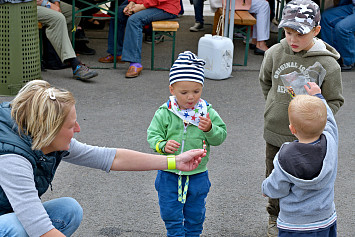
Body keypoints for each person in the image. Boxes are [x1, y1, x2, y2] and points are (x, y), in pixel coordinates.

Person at [0, 80, 206, 236]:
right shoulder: (13, 159)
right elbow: (40, 228)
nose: (78, 129)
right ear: (50, 129)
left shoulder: (40, 135)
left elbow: (110, 158)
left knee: (68, 210)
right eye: (71, 126)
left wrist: (174, 161)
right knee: (17, 228)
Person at [258, 0, 344, 236]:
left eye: (300, 33)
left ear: (316, 30)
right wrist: (275, 105)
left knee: (311, 181)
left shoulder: (328, 64)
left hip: (311, 139)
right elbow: (266, 82)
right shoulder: (275, 53)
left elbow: (335, 100)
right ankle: (275, 217)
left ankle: (311, 219)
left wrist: (313, 120)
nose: (292, 39)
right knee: (275, 177)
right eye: (287, 32)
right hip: (276, 131)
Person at [147, 51, 227, 236]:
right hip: (169, 172)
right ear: (172, 89)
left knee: (195, 214)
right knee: (170, 212)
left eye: (196, 91)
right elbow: (153, 134)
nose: (191, 97)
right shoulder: (165, 112)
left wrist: (210, 130)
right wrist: (162, 145)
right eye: (184, 92)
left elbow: (220, 137)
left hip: (198, 174)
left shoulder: (206, 112)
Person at [262, 82, 338, 236]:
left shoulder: (285, 156)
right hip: (325, 218)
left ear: (292, 129)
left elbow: (278, 187)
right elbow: (330, 120)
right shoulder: (330, 140)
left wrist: (266, 188)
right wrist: (318, 97)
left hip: (295, 224)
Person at [97, 0, 179, 78]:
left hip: (165, 6)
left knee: (134, 20)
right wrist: (131, 2)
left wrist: (141, 6)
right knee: (117, 13)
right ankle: (116, 53)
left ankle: (135, 63)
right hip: (145, 3)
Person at [37, 0, 98, 80]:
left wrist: (56, 3)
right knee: (58, 18)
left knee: (74, 13)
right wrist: (47, 4)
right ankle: (74, 63)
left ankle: (59, 56)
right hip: (24, 4)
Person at [320, 0, 355, 71]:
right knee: (326, 17)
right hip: (352, 6)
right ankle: (334, 57)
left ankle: (349, 62)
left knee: (343, 28)